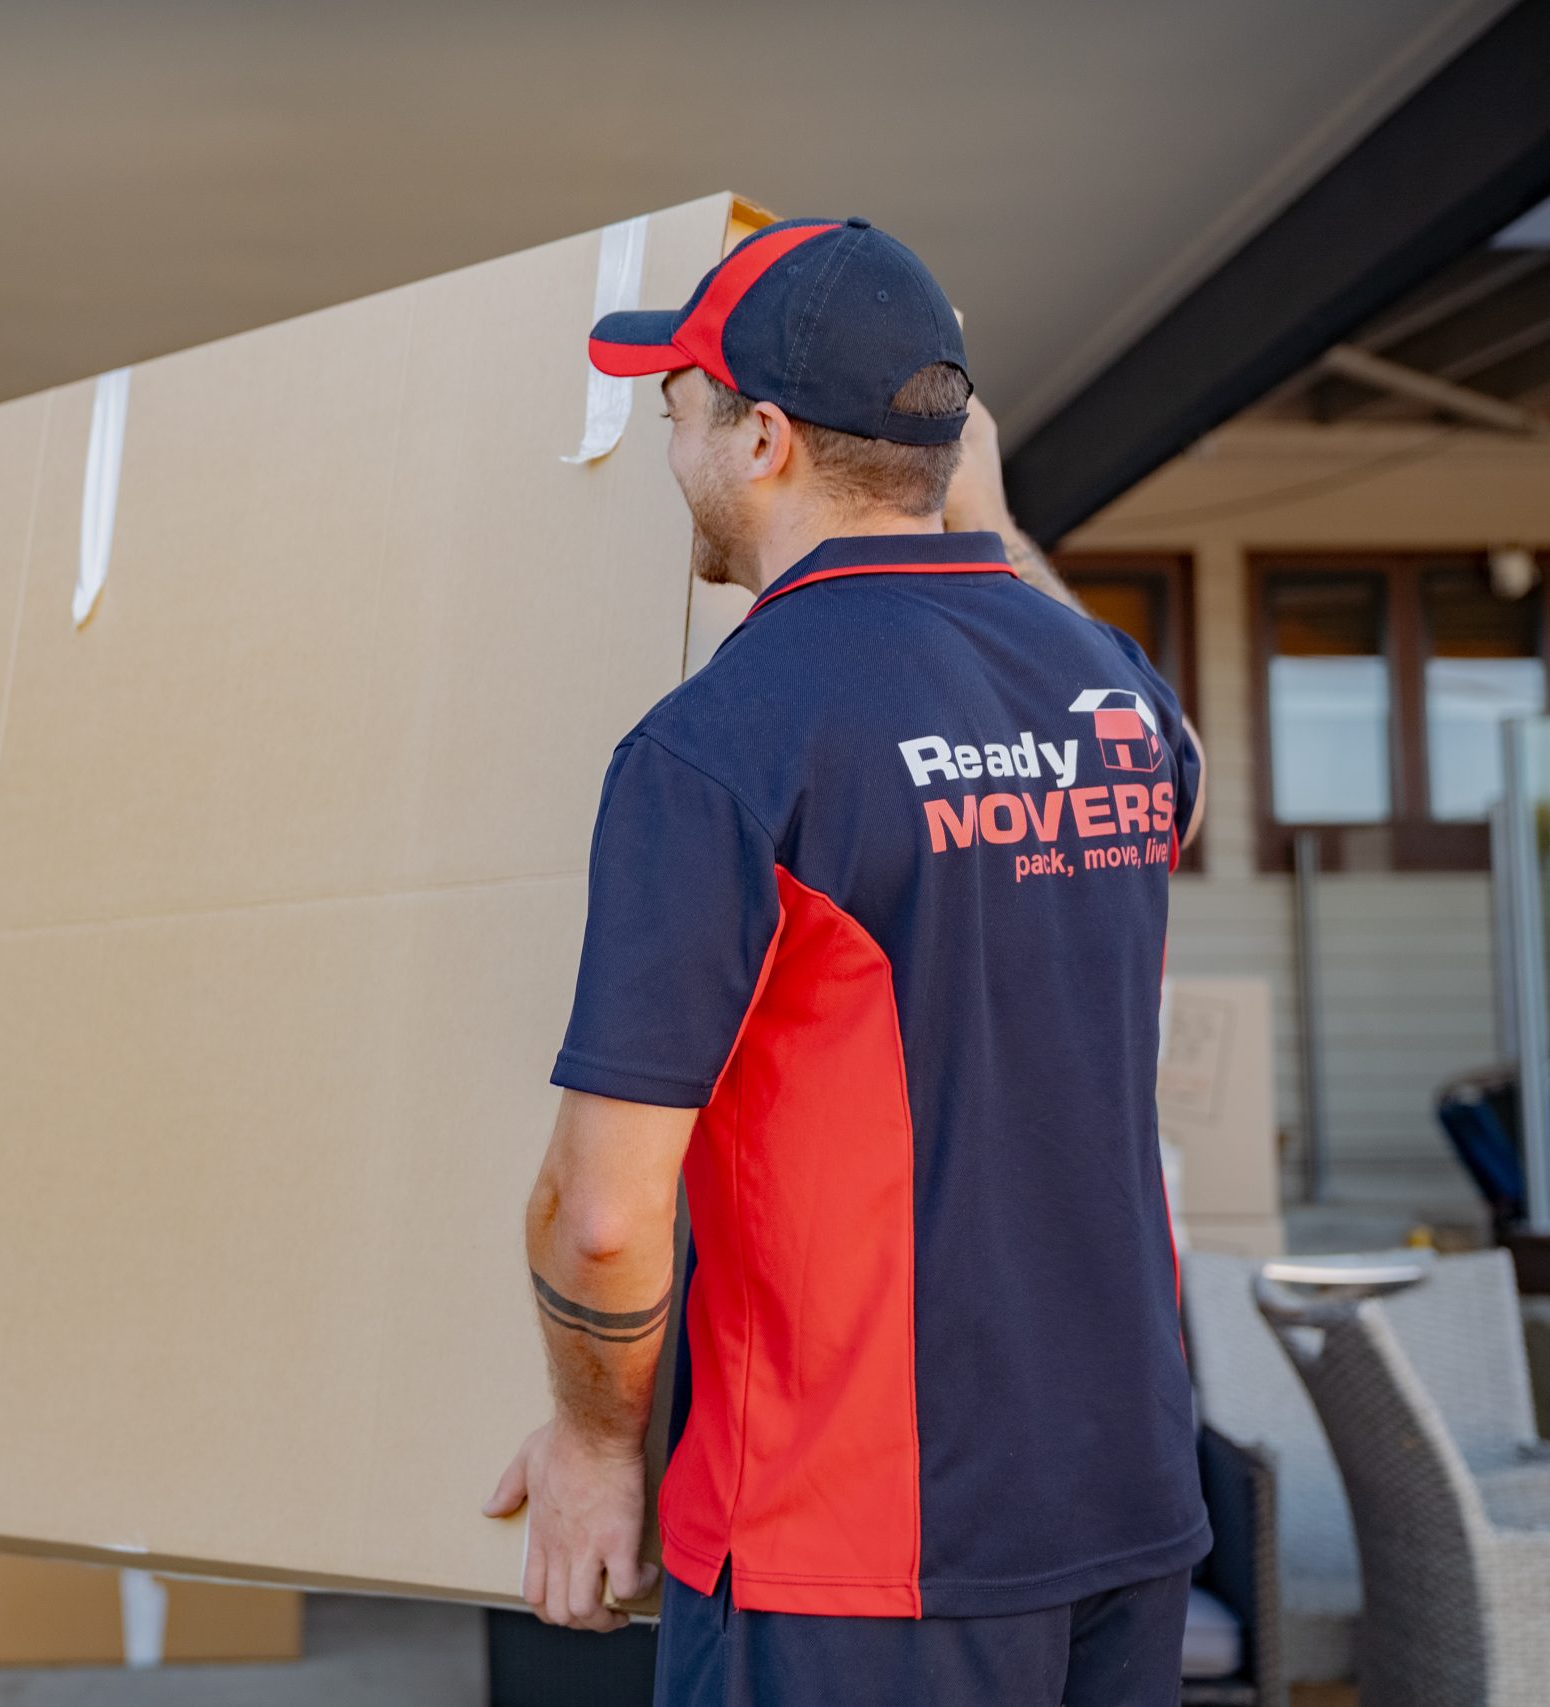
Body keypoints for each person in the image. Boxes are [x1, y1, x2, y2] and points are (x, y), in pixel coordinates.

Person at [485, 219, 1211, 1707]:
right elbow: (1171, 768)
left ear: (759, 439)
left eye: (674, 405)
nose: (664, 442)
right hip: (1125, 1504)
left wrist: (599, 1440)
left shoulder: (721, 743)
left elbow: (605, 1217)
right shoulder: (1115, 694)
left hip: (853, 1552)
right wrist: (986, 525)